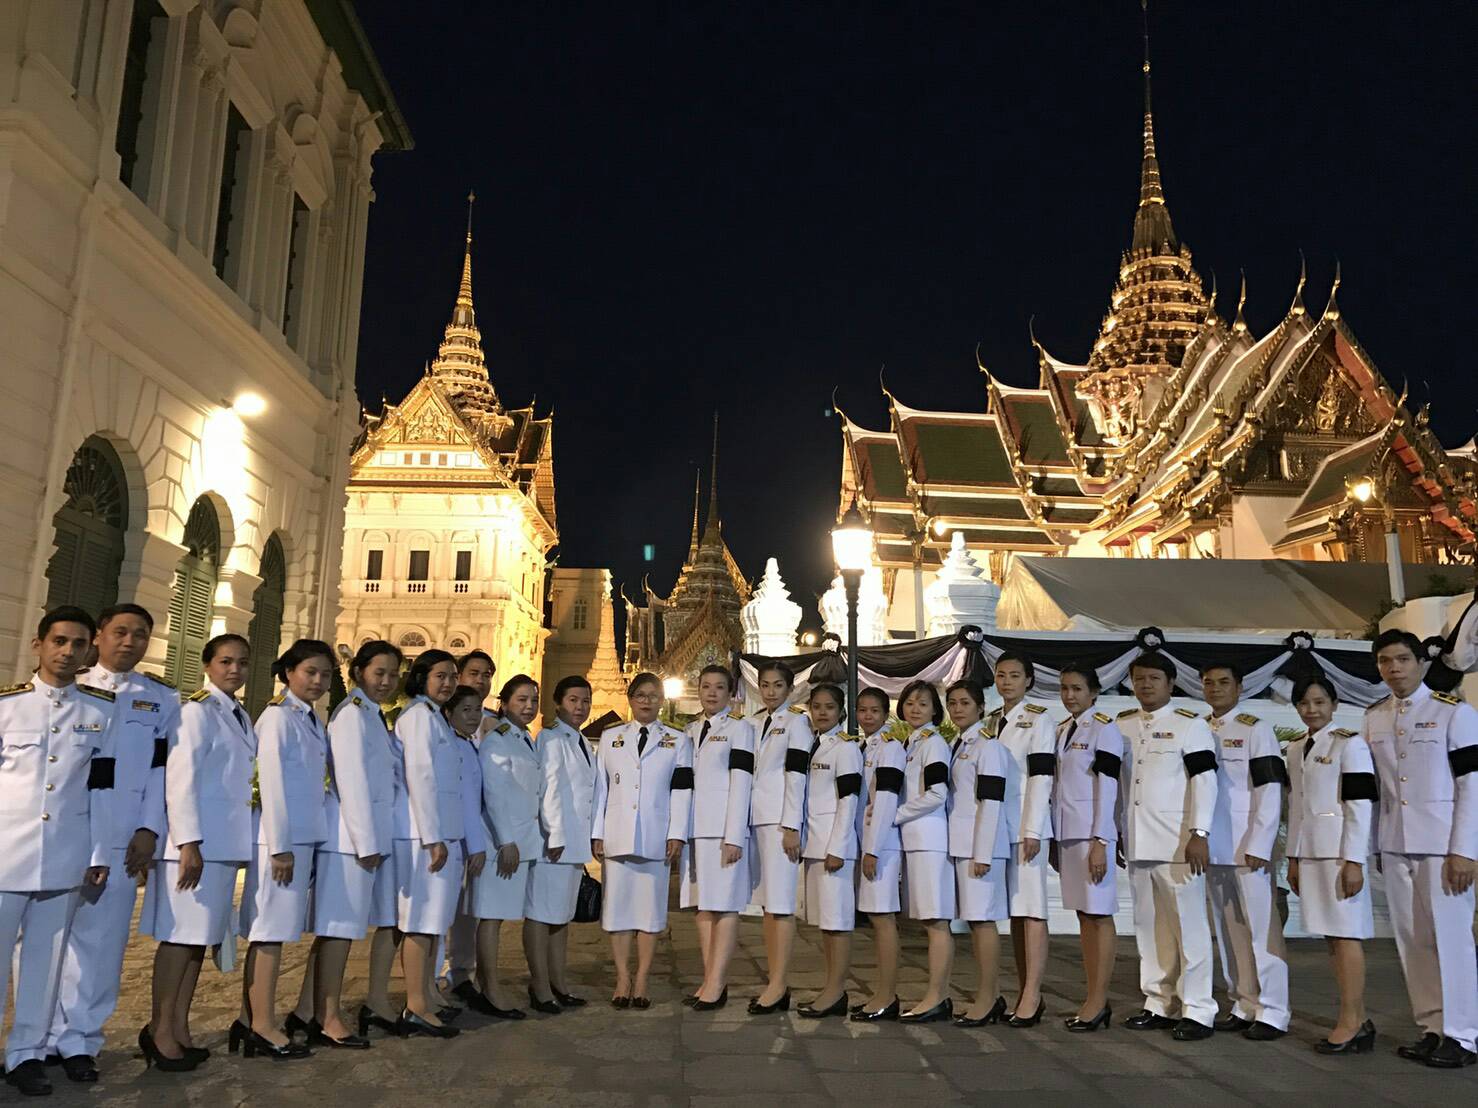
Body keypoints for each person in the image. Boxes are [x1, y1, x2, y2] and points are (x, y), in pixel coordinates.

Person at [47, 604, 172, 1083]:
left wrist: (148, 828)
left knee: (103, 945)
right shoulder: (70, 688)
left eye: (141, 634)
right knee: (46, 941)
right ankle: (39, 1037)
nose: (130, 641)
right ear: (98, 636)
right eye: (120, 632)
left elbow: (161, 771)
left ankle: (80, 1039)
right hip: (64, 831)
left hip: (122, 838)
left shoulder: (159, 698)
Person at [1, 607, 115, 1097]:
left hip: (66, 856)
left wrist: (98, 853)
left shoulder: (100, 711)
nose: (68, 652)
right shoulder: (7, 707)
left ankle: (25, 1054)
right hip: (5, 856)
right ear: (39, 645)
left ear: (90, 649)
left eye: (78, 644)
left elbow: (102, 788)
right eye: (59, 642)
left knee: (44, 965)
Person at [1364, 629, 1476, 1069]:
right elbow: (1376, 790)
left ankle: (1463, 1035)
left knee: (1452, 941)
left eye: (1402, 659)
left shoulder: (1454, 714)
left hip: (1442, 845)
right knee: (1413, 942)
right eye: (1385, 661)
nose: (1394, 668)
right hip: (1396, 844)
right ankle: (1432, 1026)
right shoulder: (1373, 717)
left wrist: (1464, 850)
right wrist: (1374, 843)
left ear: (1419, 663)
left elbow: (1472, 786)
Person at [141, 632, 253, 1071]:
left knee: (196, 943)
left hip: (220, 847)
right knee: (177, 941)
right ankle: (159, 1029)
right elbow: (180, 779)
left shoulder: (237, 713)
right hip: (195, 847)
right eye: (226, 661)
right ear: (208, 665)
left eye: (242, 662)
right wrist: (188, 842)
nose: (235, 670)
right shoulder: (196, 712)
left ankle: (178, 1026)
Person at [289, 640, 403, 1050]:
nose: (387, 681)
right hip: (350, 841)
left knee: (333, 931)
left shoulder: (370, 715)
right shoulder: (353, 716)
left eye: (393, 674)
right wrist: (367, 842)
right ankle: (330, 1017)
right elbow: (352, 782)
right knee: (338, 931)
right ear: (358, 672)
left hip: (359, 837)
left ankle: (305, 1009)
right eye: (379, 673)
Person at [234, 639, 334, 1061]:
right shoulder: (277, 718)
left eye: (325, 674)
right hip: (283, 843)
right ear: (289, 672)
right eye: (309, 671)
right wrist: (280, 847)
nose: (317, 681)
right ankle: (262, 1025)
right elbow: (271, 784)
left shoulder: (309, 719)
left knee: (276, 931)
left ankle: (248, 1020)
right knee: (270, 932)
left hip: (302, 839)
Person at [1118, 650, 1219, 1040]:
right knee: (1149, 928)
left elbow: (1204, 781)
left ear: (1170, 684)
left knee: (1189, 929)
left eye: (1153, 679)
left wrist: (1200, 832)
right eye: (1139, 679)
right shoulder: (1123, 726)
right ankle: (1159, 1001)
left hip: (1178, 844)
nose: (1145, 685)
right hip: (1138, 842)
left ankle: (1198, 1009)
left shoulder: (1189, 725)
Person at [1286, 675, 1377, 1055]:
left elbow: (1359, 804)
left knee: (1346, 935)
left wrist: (1354, 860)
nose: (1313, 710)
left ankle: (1352, 1021)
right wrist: (1292, 856)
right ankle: (1354, 1018)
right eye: (1305, 704)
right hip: (1310, 854)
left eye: (1320, 702)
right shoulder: (1294, 748)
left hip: (1339, 853)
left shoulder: (1350, 745)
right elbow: (1295, 808)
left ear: (1334, 704)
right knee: (1331, 937)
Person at [591, 672, 693, 1009]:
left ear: (662, 700)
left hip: (655, 835)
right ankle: (622, 977)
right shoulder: (611, 737)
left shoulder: (677, 740)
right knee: (618, 910)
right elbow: (600, 789)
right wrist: (597, 832)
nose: (647, 701)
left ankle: (643, 978)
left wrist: (677, 832)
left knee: (649, 913)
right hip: (618, 833)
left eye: (653, 695)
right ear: (631, 699)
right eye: (641, 695)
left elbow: (681, 791)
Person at [1199, 662, 1289, 1040]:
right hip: (1213, 845)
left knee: (1262, 931)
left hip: (1247, 844)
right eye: (1209, 683)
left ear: (1239, 686)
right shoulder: (1199, 727)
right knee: (1230, 930)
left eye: (1224, 682)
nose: (1216, 689)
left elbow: (1270, 789)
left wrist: (1261, 842)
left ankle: (1274, 1011)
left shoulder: (1256, 729)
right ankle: (1243, 1001)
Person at [394, 649, 467, 1038]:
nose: (448, 683)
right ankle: (416, 1005)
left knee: (435, 922)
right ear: (421, 677)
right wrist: (432, 837)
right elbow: (420, 777)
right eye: (440, 676)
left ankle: (427, 995)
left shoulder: (435, 717)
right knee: (420, 923)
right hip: (427, 837)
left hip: (444, 833)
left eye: (452, 677)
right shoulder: (418, 717)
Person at [1052, 663, 1124, 1031]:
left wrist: (1102, 840)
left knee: (1098, 914)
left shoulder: (1105, 730)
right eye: (1065, 688)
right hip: (1069, 833)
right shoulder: (1063, 729)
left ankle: (1098, 1000)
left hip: (1093, 835)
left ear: (1094, 692)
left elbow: (1108, 788)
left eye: (1078, 689)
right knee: (1084, 916)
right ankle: (1092, 996)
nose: (1070, 695)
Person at [680, 665, 755, 1011]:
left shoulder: (741, 730)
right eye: (706, 686)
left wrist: (735, 833)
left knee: (724, 905)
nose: (712, 693)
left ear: (731, 693)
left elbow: (741, 783)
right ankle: (709, 979)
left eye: (719, 687)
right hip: (696, 830)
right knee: (703, 906)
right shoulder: (689, 731)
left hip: (723, 829)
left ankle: (717, 981)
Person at [988, 651, 1055, 1027]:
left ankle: (1033, 992)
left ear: (1029, 680)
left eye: (1015, 675)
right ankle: (1022, 987)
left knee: (1032, 909)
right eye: (1001, 675)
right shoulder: (991, 721)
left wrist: (1032, 829)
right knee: (1014, 913)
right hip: (998, 828)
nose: (1007, 681)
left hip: (1026, 827)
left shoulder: (1039, 720)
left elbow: (1041, 776)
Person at [472, 677, 546, 1017]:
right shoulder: (497, 741)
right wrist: (506, 841)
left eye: (533, 699)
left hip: (522, 840)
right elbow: (495, 794)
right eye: (521, 699)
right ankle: (490, 988)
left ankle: (489, 985)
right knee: (492, 916)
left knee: (498, 916)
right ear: (504, 703)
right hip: (504, 844)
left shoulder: (524, 738)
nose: (528, 705)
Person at [524, 675, 597, 1009]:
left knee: (561, 917)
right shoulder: (552, 739)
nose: (579, 707)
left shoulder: (579, 740)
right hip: (554, 842)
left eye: (584, 701)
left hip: (573, 844)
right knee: (541, 915)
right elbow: (550, 789)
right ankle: (540, 987)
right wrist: (554, 834)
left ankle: (559, 983)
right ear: (557, 703)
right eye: (572, 700)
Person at [746, 661, 813, 1014]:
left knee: (781, 904)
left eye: (778, 685)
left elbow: (797, 774)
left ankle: (778, 983)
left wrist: (792, 824)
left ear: (789, 689)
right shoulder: (755, 723)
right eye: (766, 685)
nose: (771, 691)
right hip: (757, 819)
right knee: (767, 906)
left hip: (779, 822)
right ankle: (774, 981)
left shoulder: (797, 723)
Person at [945, 679, 1009, 1028]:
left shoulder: (988, 747)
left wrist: (982, 852)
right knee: (973, 920)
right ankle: (988, 993)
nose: (957, 708)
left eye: (965, 702)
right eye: (952, 702)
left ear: (981, 707)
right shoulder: (958, 743)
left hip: (980, 846)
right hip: (962, 844)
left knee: (983, 921)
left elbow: (991, 801)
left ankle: (988, 997)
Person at [796, 683, 862, 1019]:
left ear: (841, 712)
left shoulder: (845, 748)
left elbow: (848, 801)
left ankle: (837, 990)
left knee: (837, 922)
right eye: (817, 706)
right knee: (826, 923)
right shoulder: (812, 744)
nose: (822, 712)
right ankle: (830, 987)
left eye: (829, 707)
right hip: (814, 845)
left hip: (833, 847)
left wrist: (838, 847)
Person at [894, 679, 953, 1022]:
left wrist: (895, 815)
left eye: (923, 704)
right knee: (927, 921)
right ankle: (935, 994)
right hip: (914, 840)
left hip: (929, 841)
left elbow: (937, 794)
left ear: (935, 710)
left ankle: (937, 996)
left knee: (935, 921)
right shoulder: (911, 742)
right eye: (910, 703)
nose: (915, 709)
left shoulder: (933, 744)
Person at [441, 649, 498, 1004]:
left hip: (481, 831)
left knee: (469, 909)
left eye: (487, 674)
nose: (481, 680)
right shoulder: (441, 723)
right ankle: (431, 981)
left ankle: (463, 973)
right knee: (438, 910)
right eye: (474, 673)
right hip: (447, 831)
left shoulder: (493, 723)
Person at [851, 688, 905, 1022]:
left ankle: (887, 995)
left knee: (883, 918)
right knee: (875, 917)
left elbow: (886, 800)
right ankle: (881, 992)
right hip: (868, 842)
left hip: (882, 845)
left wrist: (872, 849)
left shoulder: (891, 748)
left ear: (886, 714)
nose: (868, 716)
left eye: (875, 711)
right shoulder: (862, 746)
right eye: (862, 710)